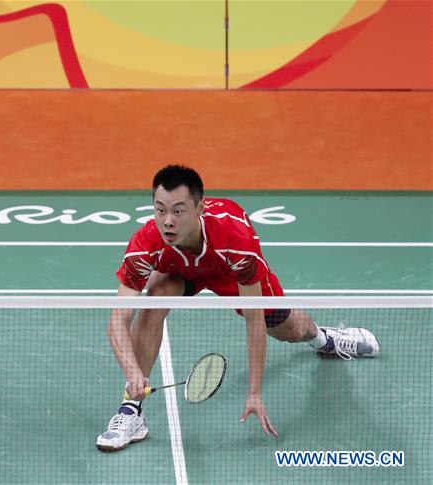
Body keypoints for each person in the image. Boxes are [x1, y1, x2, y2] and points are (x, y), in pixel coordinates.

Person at [96, 165, 379, 452]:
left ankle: (324, 338)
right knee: (154, 300)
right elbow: (117, 320)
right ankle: (131, 411)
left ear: (199, 208)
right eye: (160, 210)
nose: (167, 221)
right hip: (179, 269)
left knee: (290, 329)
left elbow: (254, 319)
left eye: (178, 211)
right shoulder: (145, 244)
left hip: (228, 269)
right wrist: (133, 374)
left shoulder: (236, 239)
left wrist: (254, 391)